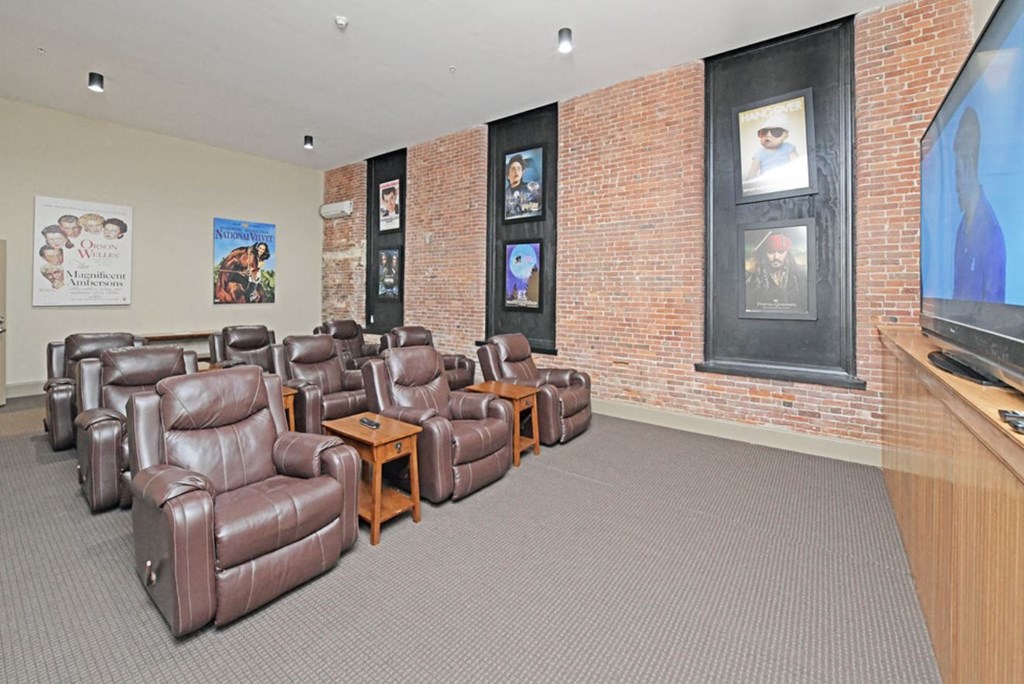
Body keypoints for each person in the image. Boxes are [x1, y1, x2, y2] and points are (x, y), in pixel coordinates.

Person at [952, 106, 1005, 303]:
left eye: (957, 174)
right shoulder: (961, 230)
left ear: (969, 163)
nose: (956, 187)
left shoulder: (992, 234)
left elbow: (994, 317)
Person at [745, 232, 807, 310]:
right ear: (765, 253)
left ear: (787, 253)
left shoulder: (800, 276)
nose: (776, 257)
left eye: (781, 252)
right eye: (771, 252)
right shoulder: (751, 279)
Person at [746, 115, 799, 180]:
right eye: (764, 132)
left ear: (785, 135)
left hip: (786, 179)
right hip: (766, 181)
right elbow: (753, 171)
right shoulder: (760, 152)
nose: (768, 135)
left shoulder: (788, 147)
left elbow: (796, 164)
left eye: (775, 132)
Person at [505, 154, 541, 218]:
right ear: (508, 174)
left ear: (522, 172)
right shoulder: (504, 194)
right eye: (513, 169)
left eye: (519, 168)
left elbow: (537, 206)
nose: (516, 171)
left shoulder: (530, 188)